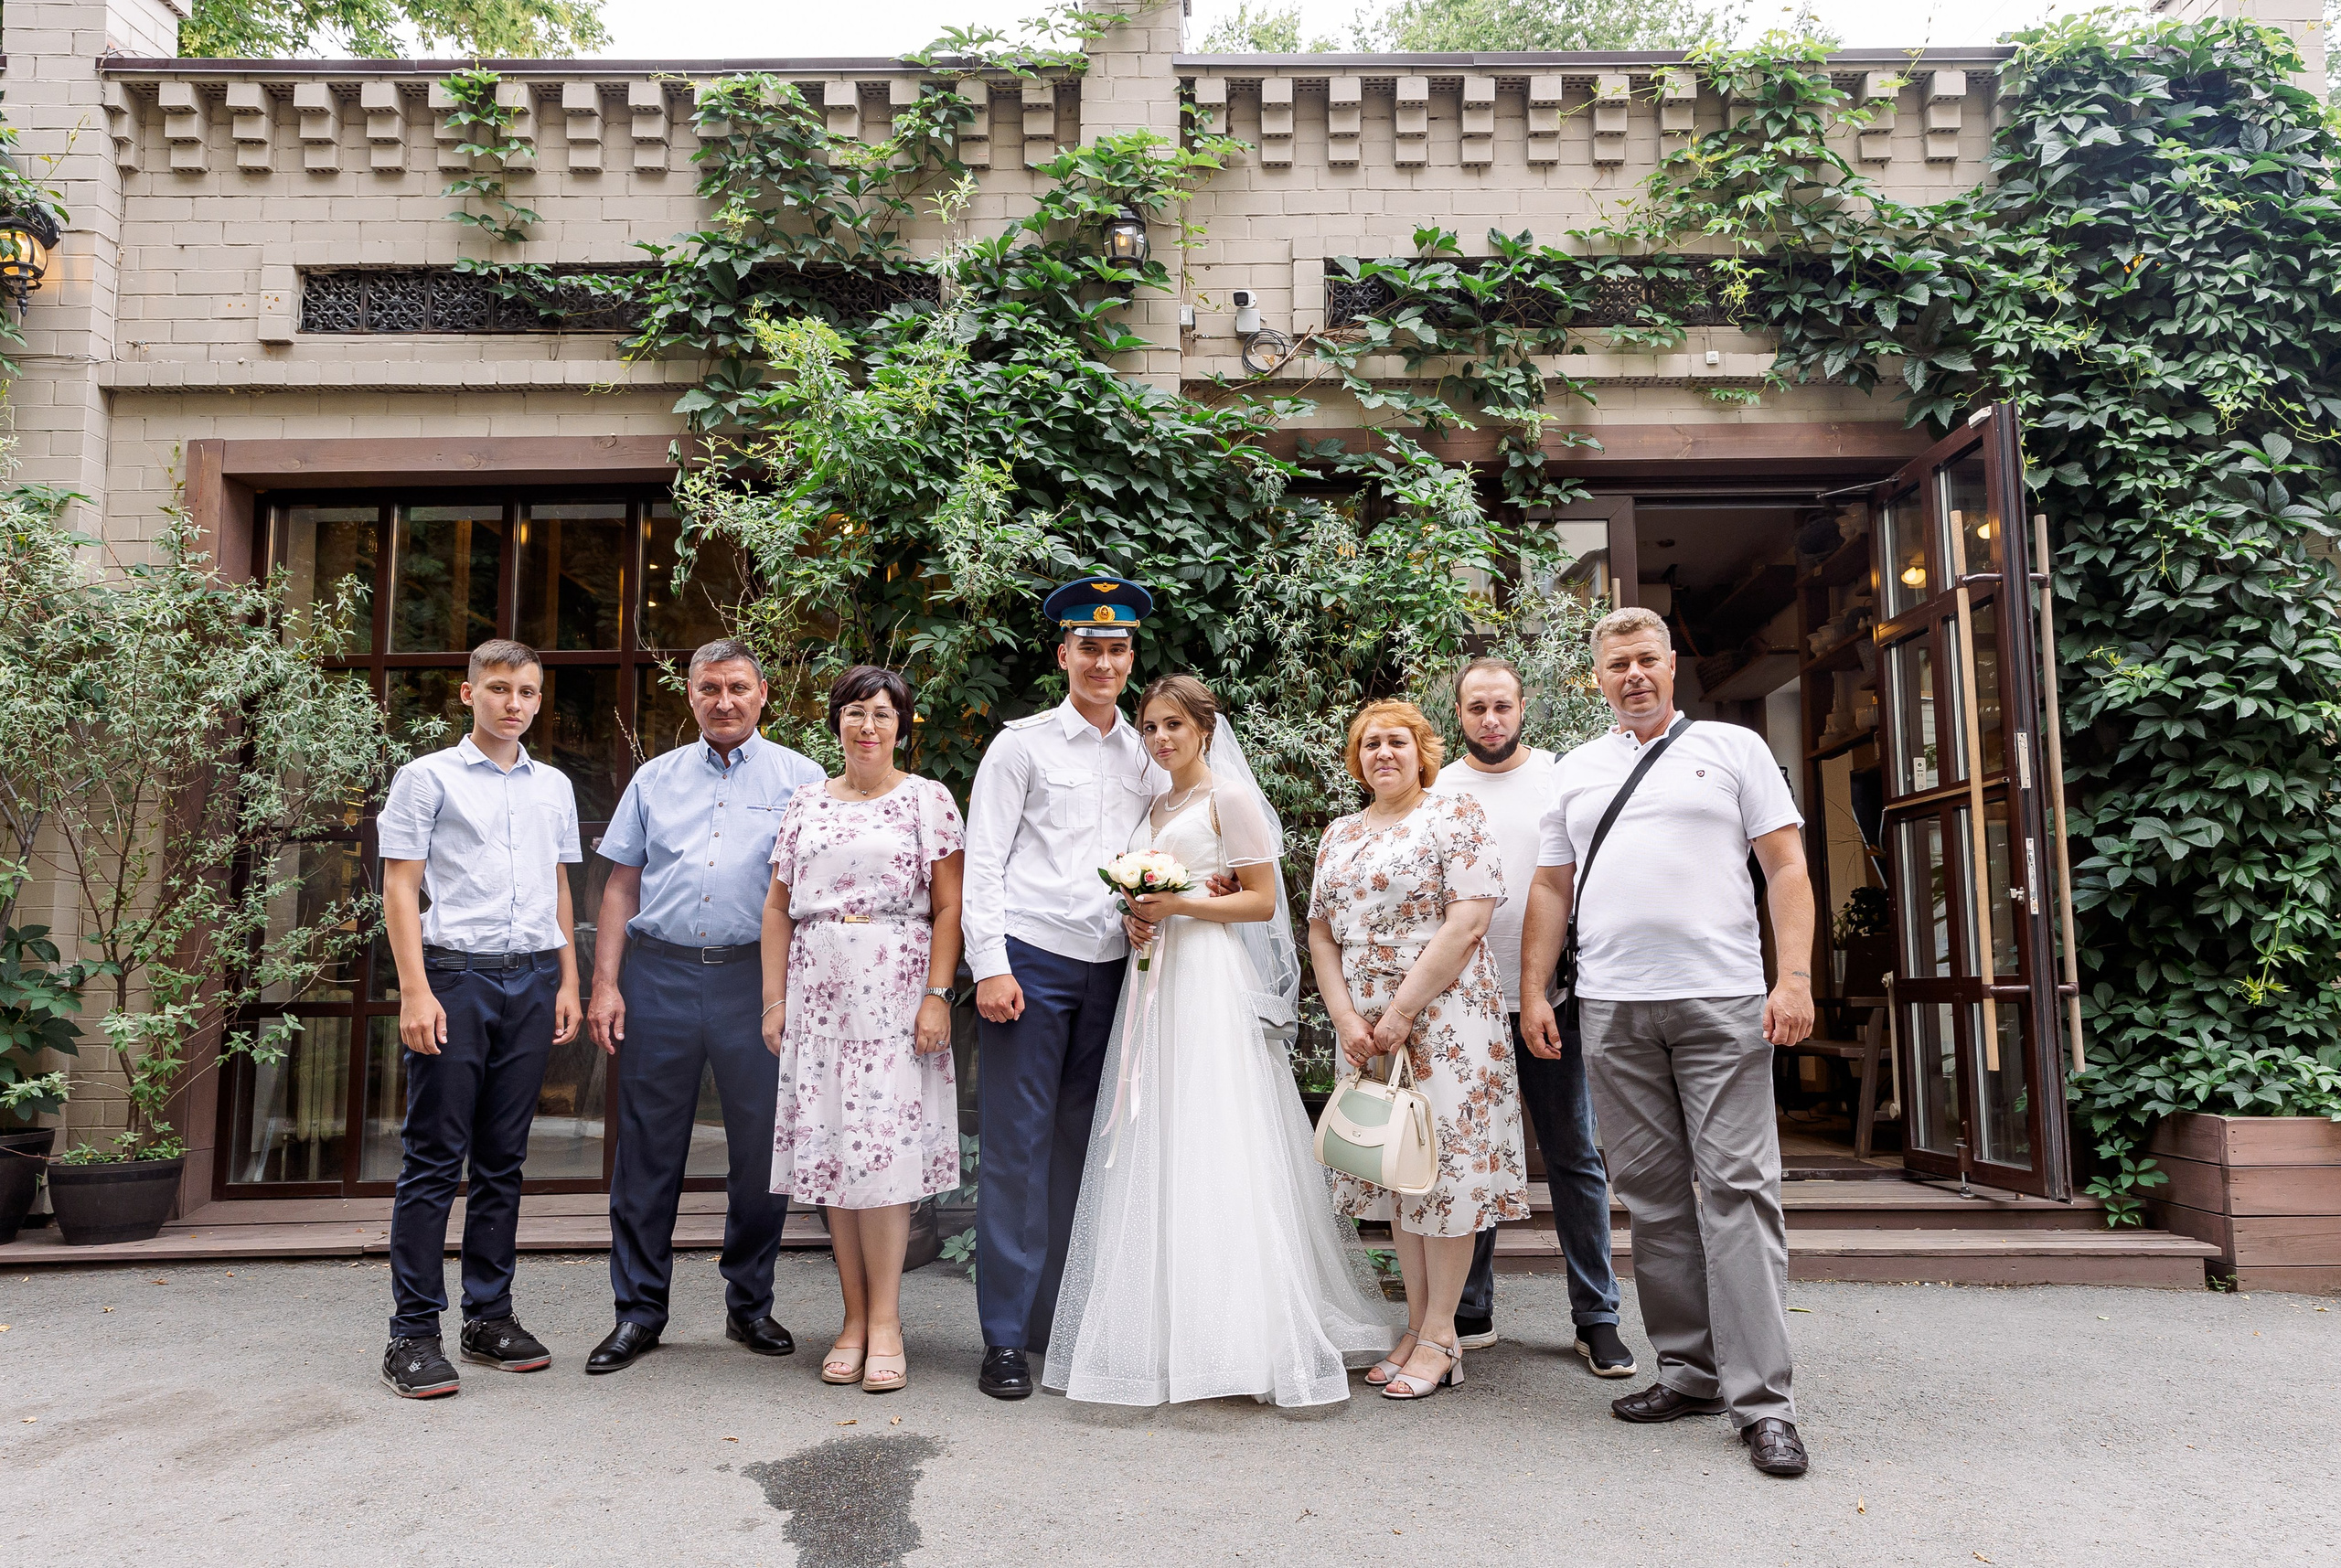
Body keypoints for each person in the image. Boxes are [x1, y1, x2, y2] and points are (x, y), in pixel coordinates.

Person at [1518, 604, 1816, 1478]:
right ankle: (1688, 1372)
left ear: (1671, 663)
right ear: (1597, 678)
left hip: (1723, 1002)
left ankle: (1765, 1402)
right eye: (1617, 665)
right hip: (1612, 1008)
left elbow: (1788, 866)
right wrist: (1536, 989)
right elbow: (1547, 887)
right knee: (1651, 1195)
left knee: (1739, 1191)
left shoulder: (1733, 750)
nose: (1634, 676)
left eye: (1646, 659)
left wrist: (1791, 978)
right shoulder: (1573, 770)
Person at [1044, 676, 1398, 1407]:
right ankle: (1170, 1328)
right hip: (1155, 982)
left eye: (1174, 724)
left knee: (1214, 1133)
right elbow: (1149, 894)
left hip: (1207, 979)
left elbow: (1264, 901)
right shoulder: (1155, 803)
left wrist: (1172, 904)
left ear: (1205, 728)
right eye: (1149, 727)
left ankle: (1241, 1334)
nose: (1161, 738)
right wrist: (1138, 917)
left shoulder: (1226, 799)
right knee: (1158, 1133)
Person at [582, 638, 825, 1374]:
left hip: (757, 981)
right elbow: (621, 886)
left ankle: (749, 1304)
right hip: (660, 977)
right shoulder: (654, 779)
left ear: (763, 694)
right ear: (689, 695)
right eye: (710, 688)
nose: (724, 701)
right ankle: (639, 1311)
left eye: (738, 687)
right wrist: (605, 982)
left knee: (758, 1152)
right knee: (648, 1150)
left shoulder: (803, 778)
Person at [962, 574, 1168, 1401]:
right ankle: (1007, 1338)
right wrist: (991, 965)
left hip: (1113, 970)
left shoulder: (1148, 752)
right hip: (1032, 960)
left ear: (1130, 658)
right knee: (1015, 1148)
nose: (1104, 660)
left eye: (1118, 648)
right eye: (1090, 645)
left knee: (1084, 1148)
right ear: (1063, 653)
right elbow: (983, 860)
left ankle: (1061, 1318)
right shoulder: (1021, 745)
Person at [375, 638, 583, 1399]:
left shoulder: (553, 786)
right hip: (454, 978)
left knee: (504, 1158)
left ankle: (488, 1315)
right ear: (470, 695)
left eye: (527, 691)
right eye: (500, 689)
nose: (515, 703)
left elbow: (560, 887)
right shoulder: (426, 778)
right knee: (434, 1158)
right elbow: (401, 889)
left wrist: (568, 979)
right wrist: (415, 989)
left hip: (530, 979)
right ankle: (413, 1333)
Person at [1306, 699, 1529, 1402]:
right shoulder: (1339, 831)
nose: (1383, 754)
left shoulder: (1454, 816)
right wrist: (1346, 1015)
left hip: (1445, 1018)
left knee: (1445, 1173)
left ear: (1422, 750)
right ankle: (1414, 1324)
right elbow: (1320, 931)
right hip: (1365, 1027)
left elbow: (1468, 922)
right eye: (1370, 744)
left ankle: (1441, 1334)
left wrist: (1401, 1011)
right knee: (1398, 1173)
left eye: (1396, 741)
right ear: (1357, 757)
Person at [762, 666, 967, 1394]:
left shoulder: (927, 800)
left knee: (881, 1164)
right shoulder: (806, 802)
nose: (868, 725)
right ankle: (851, 1318)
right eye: (855, 712)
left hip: (895, 994)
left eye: (882, 713)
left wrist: (938, 994)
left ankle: (886, 1320)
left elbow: (948, 906)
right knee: (834, 1159)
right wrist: (774, 999)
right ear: (837, 723)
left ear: (902, 723)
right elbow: (779, 908)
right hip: (818, 999)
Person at [1435, 657, 1633, 1376]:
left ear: (1524, 707)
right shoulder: (1437, 787)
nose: (1491, 719)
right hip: (1463, 1005)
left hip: (1552, 995)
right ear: (1458, 712)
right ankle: (1471, 1306)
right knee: (1472, 1155)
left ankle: (1597, 1316)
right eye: (1476, 707)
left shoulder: (1560, 774)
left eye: (1502, 705)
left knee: (1574, 1153)